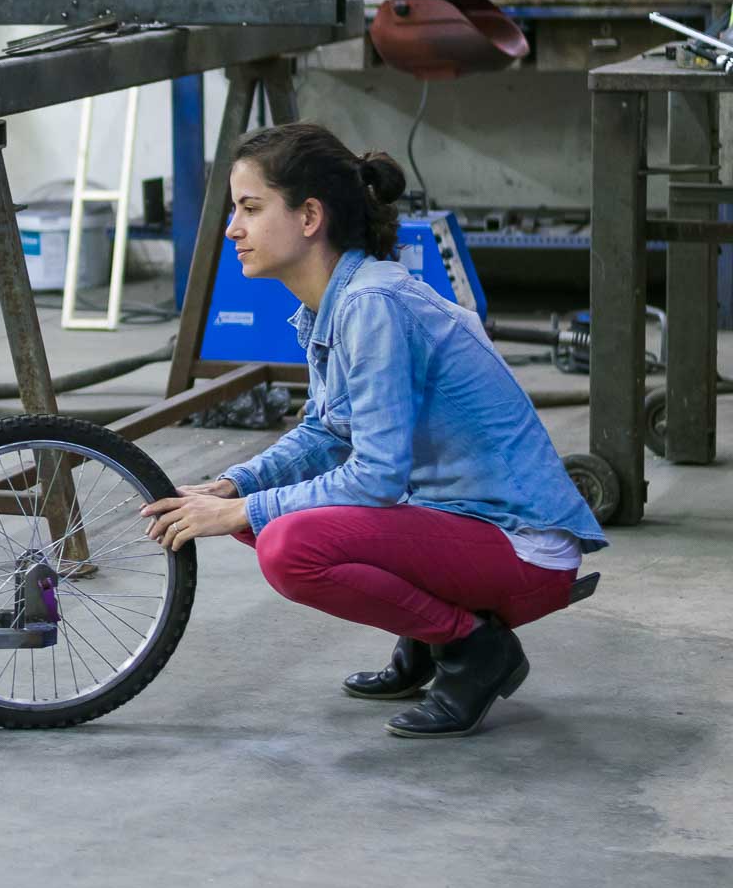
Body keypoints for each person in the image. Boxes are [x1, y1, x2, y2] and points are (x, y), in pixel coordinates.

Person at [141, 123, 605, 739]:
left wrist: (249, 508)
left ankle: (473, 648)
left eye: (250, 208)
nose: (233, 229)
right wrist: (232, 487)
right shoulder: (330, 304)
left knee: (287, 544)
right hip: (457, 524)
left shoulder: (371, 306)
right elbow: (327, 433)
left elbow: (377, 476)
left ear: (310, 216)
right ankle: (425, 635)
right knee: (262, 519)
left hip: (519, 546)